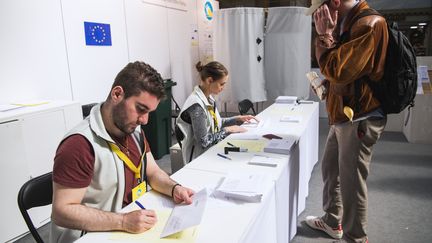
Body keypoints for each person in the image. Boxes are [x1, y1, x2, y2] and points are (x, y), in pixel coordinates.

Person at [50, 61, 195, 243]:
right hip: (92, 235)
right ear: (117, 94)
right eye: (141, 109)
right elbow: (62, 211)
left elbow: (153, 172)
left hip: (126, 226)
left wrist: (174, 189)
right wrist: (123, 221)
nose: (144, 120)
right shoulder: (79, 144)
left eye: (149, 112)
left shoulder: (134, 131)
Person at [305, 0, 388, 242]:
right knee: (331, 169)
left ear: (335, 3)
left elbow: (337, 69)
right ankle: (333, 221)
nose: (319, 16)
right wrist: (328, 85)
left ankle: (356, 238)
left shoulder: (368, 24)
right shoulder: (349, 23)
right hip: (344, 114)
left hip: (359, 118)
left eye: (321, 10)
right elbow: (346, 71)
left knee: (352, 183)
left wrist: (324, 36)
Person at [176, 61, 257, 163]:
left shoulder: (208, 98)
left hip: (211, 152)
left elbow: (217, 123)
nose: (223, 88)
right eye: (222, 84)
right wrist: (228, 130)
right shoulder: (197, 106)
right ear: (209, 80)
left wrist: (237, 119)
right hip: (198, 160)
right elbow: (204, 142)